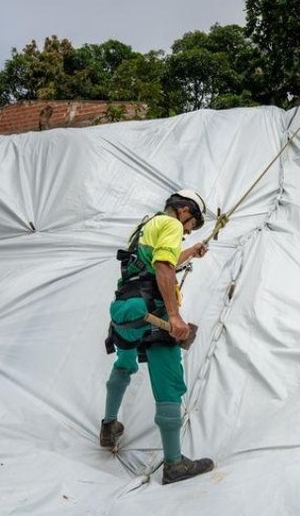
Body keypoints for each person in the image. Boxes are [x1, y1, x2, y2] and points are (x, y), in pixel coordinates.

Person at [100, 189, 214, 485]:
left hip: (125, 310)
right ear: (185, 211)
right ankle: (174, 465)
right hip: (153, 312)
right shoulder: (173, 225)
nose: (188, 231)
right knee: (169, 385)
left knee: (124, 365)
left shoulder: (145, 227)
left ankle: (109, 426)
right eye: (192, 224)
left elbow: (160, 261)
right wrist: (174, 317)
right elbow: (164, 267)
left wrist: (192, 252)